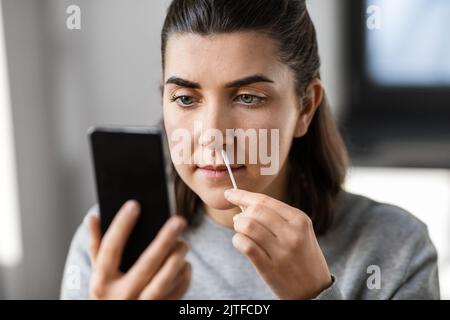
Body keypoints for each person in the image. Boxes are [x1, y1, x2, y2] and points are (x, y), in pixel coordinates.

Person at [60, 0, 440, 299]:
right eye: (186, 99)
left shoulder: (396, 247)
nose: (212, 135)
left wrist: (313, 295)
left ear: (305, 107)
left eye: (247, 97)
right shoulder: (111, 245)